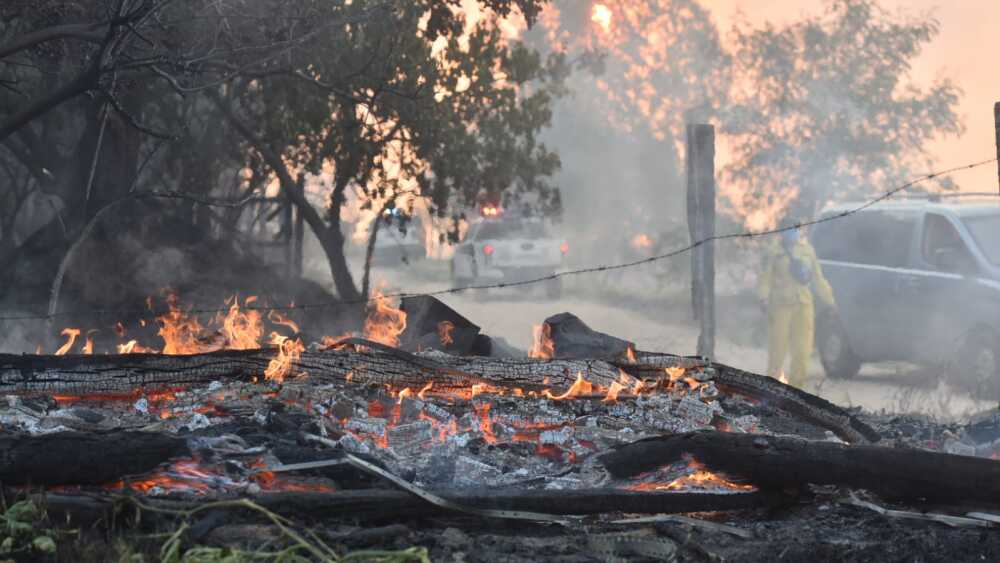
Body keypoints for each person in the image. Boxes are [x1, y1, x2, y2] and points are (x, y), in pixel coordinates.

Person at [757, 217, 836, 388]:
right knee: (777, 351)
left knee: (802, 352)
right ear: (781, 232)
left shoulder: (807, 250)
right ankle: (772, 389)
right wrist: (763, 298)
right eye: (787, 229)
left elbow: (818, 279)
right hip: (780, 307)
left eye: (795, 229)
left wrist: (830, 301)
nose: (792, 233)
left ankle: (795, 390)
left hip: (804, 306)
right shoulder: (772, 252)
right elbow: (765, 278)